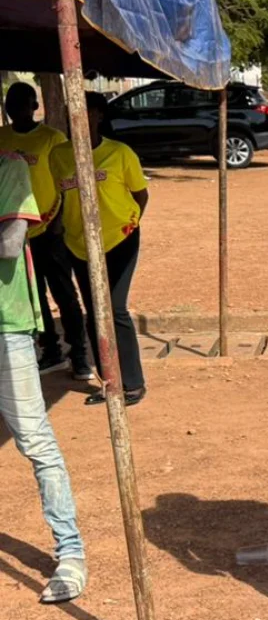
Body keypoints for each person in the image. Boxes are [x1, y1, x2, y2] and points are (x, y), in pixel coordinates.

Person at [0, 150, 87, 603]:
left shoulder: (10, 167)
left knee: (34, 440)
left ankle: (70, 552)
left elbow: (11, 243)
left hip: (7, 327)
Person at [49, 92, 148, 407]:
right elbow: (62, 197)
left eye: (85, 111)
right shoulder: (59, 156)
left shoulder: (119, 153)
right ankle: (109, 382)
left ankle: (133, 383)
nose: (76, 117)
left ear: (99, 116)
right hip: (79, 245)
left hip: (119, 240)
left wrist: (130, 222)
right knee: (94, 312)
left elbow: (141, 195)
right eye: (71, 112)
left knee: (114, 309)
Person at [0, 83, 91, 379]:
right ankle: (50, 350)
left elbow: (65, 180)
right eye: (10, 104)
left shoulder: (52, 138)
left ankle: (79, 353)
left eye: (22, 103)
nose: (15, 109)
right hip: (16, 232)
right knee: (33, 295)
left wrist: (57, 219)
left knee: (64, 292)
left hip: (50, 228)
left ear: (35, 106)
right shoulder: (2, 137)